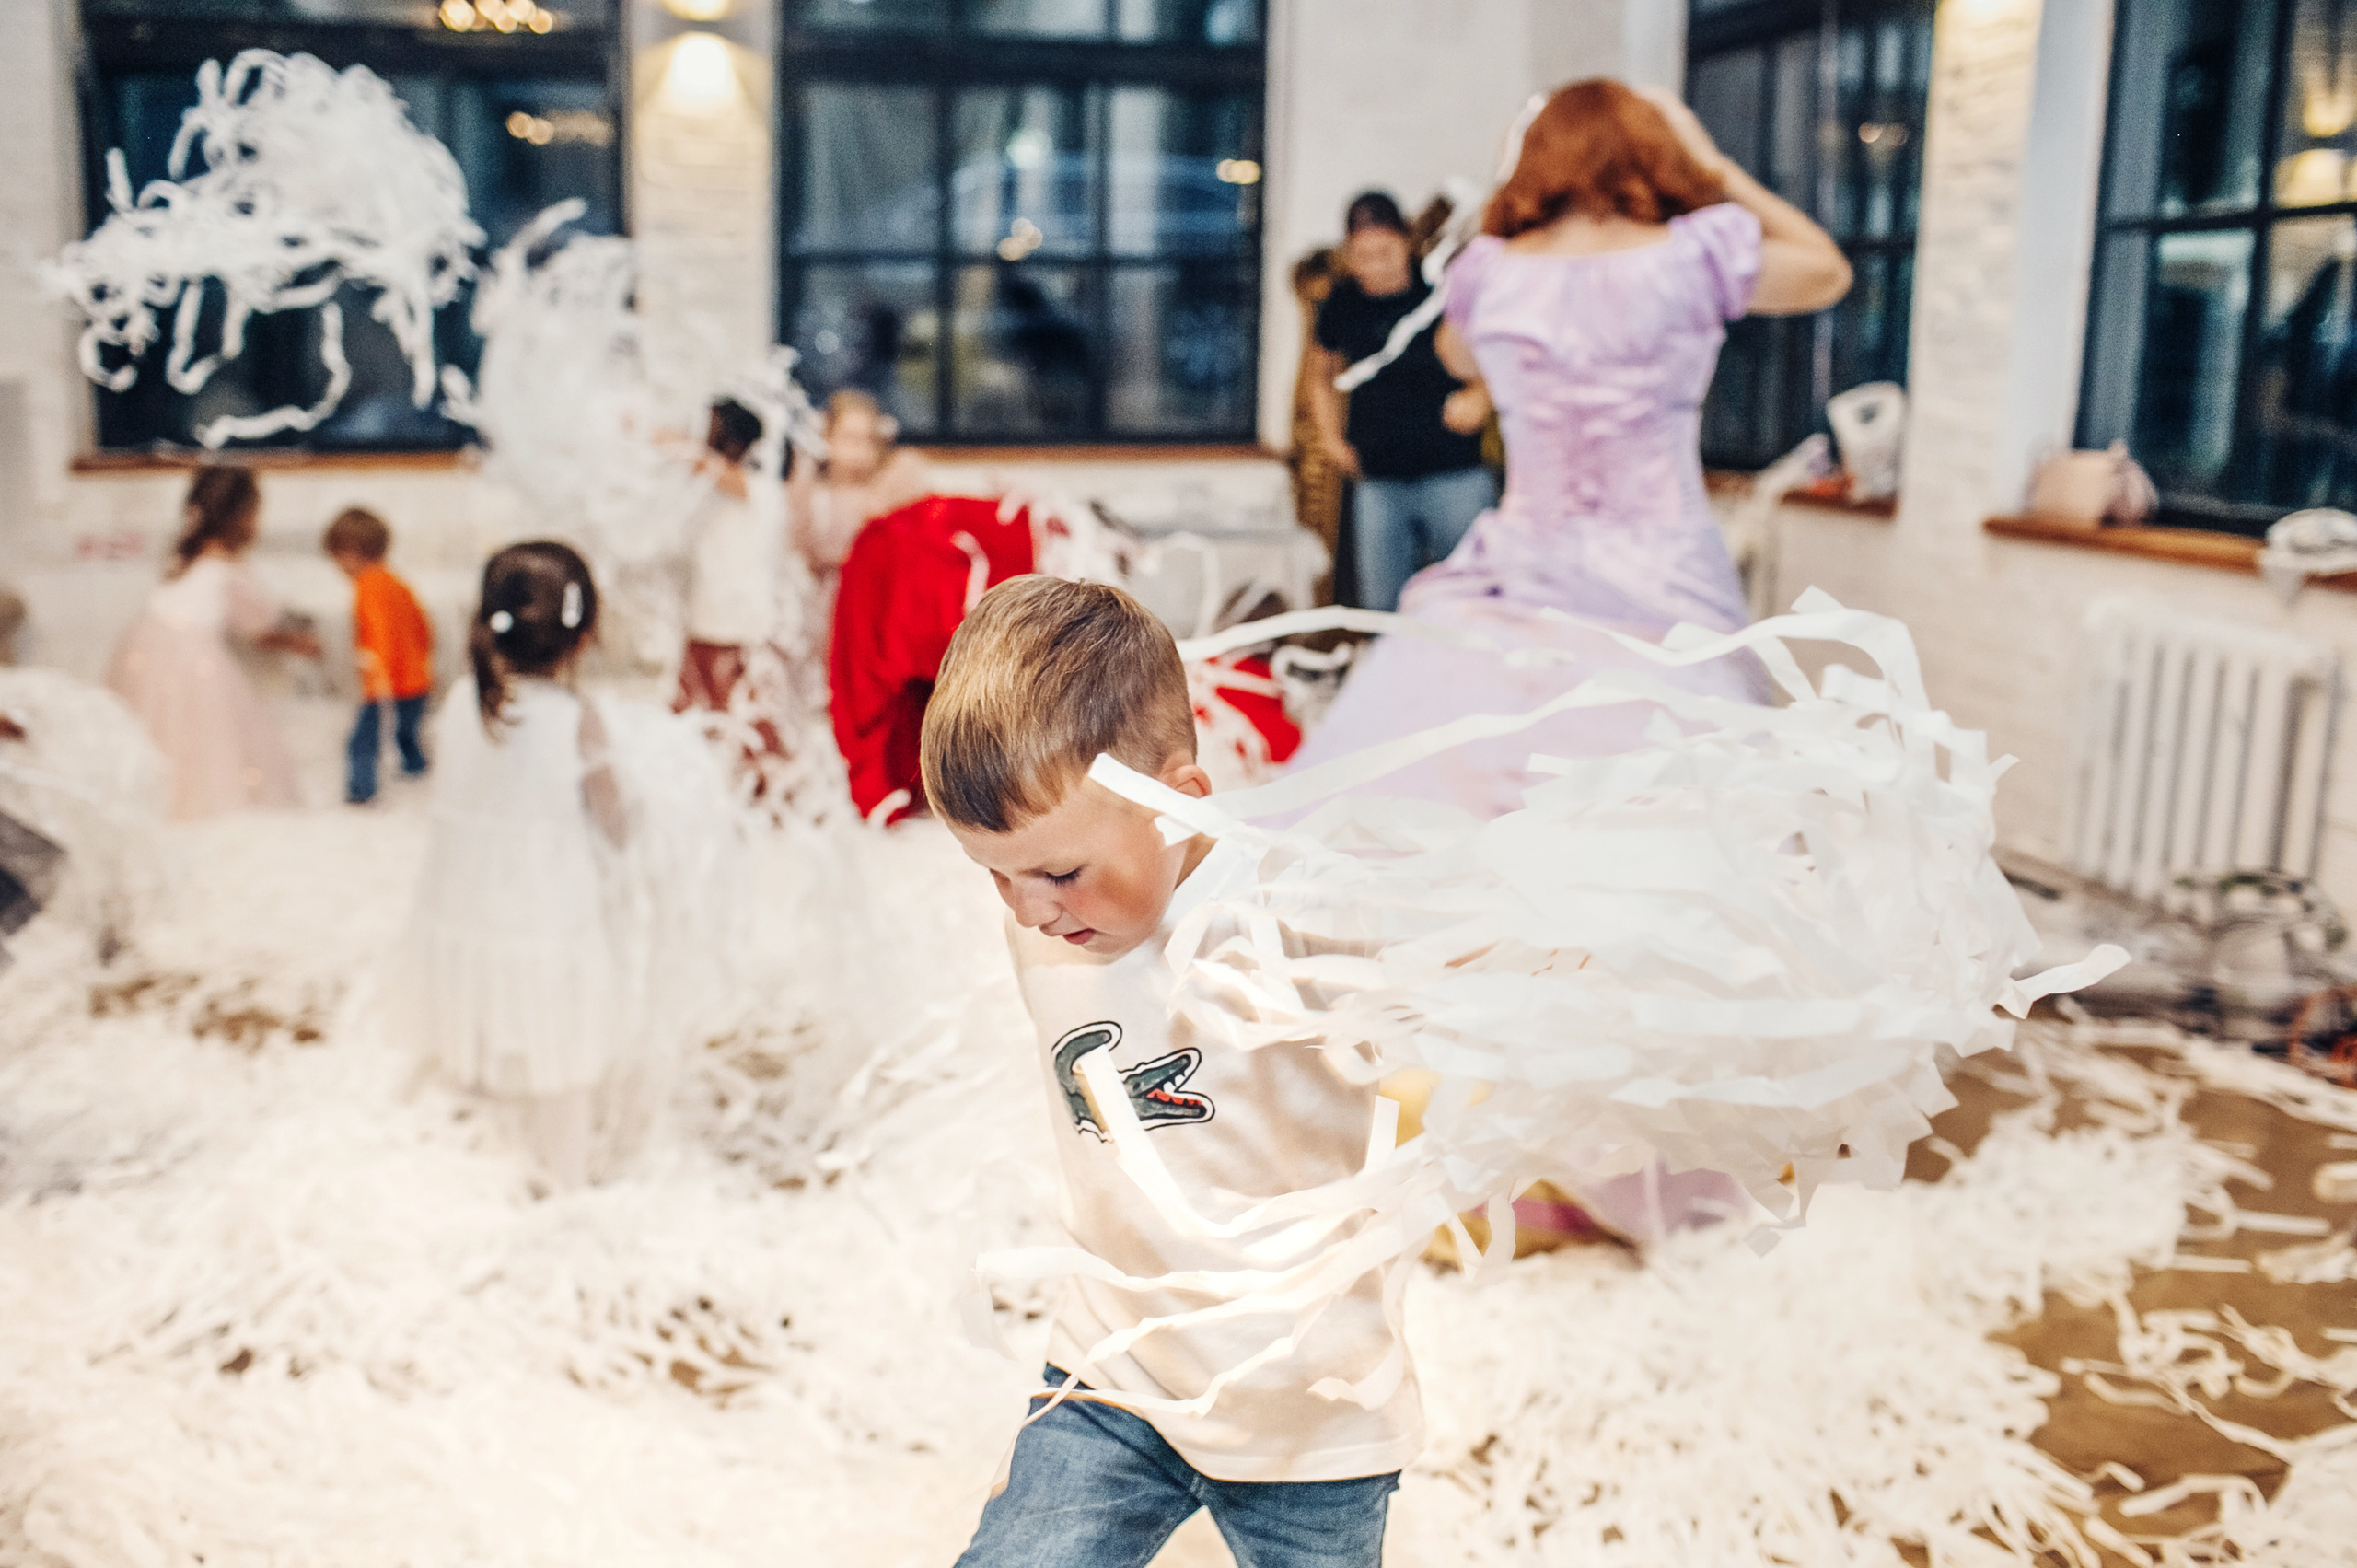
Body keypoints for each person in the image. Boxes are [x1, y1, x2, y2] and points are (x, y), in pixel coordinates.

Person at [923, 577, 1413, 1567]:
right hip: (1114, 1372)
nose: (1025, 909)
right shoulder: (1052, 908)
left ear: (1177, 800)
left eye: (1055, 872)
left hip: (1309, 1407)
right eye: (994, 874)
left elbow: (1476, 956)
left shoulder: (1291, 909)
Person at [1287, 80, 1852, 827]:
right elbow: (1825, 269)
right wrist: (1715, 170)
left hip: (1526, 566)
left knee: (1480, 793)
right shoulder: (1694, 257)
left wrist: (1505, 216)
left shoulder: (1491, 273)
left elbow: (1458, 356)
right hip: (1664, 568)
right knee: (1665, 811)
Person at [389, 541, 737, 1187]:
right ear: (585, 636)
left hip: (465, 901)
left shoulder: (464, 699)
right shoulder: (577, 718)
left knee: (477, 1009)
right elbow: (618, 820)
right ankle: (568, 1178)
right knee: (560, 1053)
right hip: (543, 914)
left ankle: (460, 1132)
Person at [1307, 192, 1496, 611]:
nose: (1374, 265)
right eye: (1362, 255)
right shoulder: (1342, 302)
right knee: (1382, 613)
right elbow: (1320, 376)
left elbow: (1500, 353)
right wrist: (1331, 440)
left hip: (1454, 473)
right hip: (1379, 480)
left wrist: (1481, 396)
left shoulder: (1442, 289)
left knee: (1472, 605)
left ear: (1406, 241)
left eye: (1385, 252)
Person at [106, 467, 320, 820]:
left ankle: (160, 798)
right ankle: (190, 805)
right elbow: (262, 628)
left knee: (160, 729)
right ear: (244, 517)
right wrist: (301, 643)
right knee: (204, 737)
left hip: (144, 644)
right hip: (193, 658)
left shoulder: (183, 556)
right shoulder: (227, 566)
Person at [323, 507, 434, 807]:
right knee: (406, 735)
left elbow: (379, 630)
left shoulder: (367, 585)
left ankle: (361, 792)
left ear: (347, 553)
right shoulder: (399, 583)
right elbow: (424, 629)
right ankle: (417, 775)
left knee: (362, 741)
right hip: (416, 681)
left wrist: (375, 668)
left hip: (386, 683)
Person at [788, 389, 935, 583]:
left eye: (868, 440)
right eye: (849, 439)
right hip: (825, 591)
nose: (859, 451)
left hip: (872, 589)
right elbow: (801, 551)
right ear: (827, 438)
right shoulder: (814, 494)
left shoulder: (887, 490)